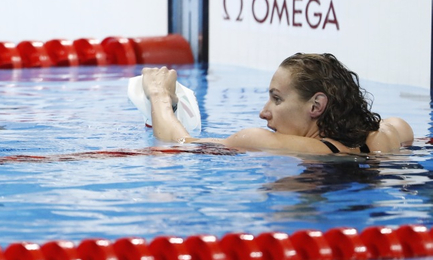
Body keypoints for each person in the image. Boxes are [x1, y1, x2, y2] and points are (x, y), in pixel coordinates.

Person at [141, 53, 414, 154]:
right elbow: (404, 131)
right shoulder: (388, 134)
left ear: (316, 106)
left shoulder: (260, 141)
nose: (264, 113)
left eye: (277, 99)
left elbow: (178, 143)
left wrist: (158, 95)